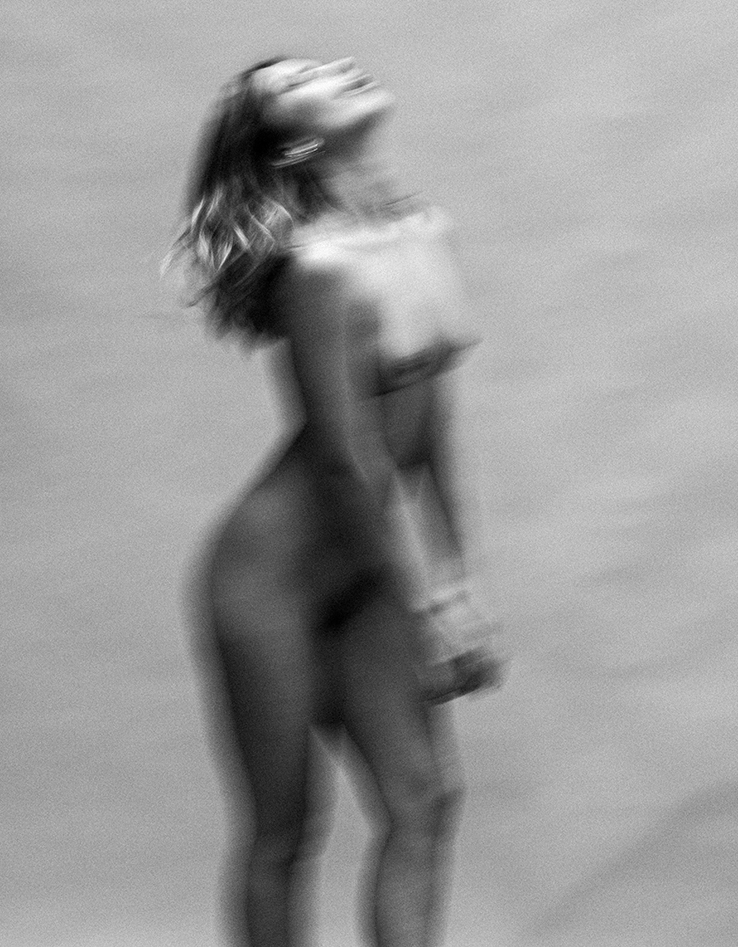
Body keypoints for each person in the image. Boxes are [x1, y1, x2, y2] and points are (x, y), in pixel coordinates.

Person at [171, 55, 502, 947]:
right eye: (299, 82)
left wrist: (455, 582)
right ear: (293, 143)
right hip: (268, 582)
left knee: (424, 800)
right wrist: (420, 606)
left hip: (366, 566)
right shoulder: (316, 268)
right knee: (285, 830)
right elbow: (345, 463)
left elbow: (432, 424)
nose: (337, 69)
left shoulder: (424, 232)